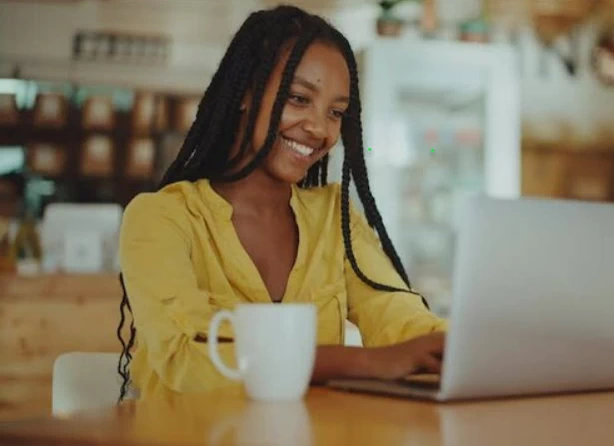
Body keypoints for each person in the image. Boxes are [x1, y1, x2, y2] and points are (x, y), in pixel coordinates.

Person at [117, 5, 446, 402]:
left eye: (336, 112)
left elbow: (400, 319)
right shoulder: (160, 218)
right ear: (247, 93)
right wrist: (365, 361)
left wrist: (459, 348)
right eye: (298, 98)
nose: (319, 128)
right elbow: (187, 360)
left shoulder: (334, 219)